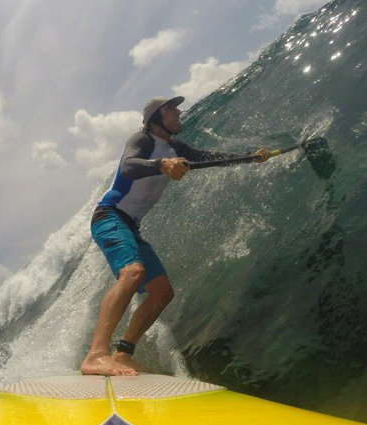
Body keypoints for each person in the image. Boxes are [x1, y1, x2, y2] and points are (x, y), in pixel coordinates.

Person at [80, 96, 270, 376]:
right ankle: (95, 356)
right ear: (156, 117)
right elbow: (129, 166)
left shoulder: (174, 146)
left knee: (161, 293)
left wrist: (250, 157)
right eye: (171, 108)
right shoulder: (142, 139)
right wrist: (161, 165)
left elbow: (208, 158)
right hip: (109, 216)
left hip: (130, 225)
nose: (179, 111)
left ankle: (122, 354)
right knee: (132, 273)